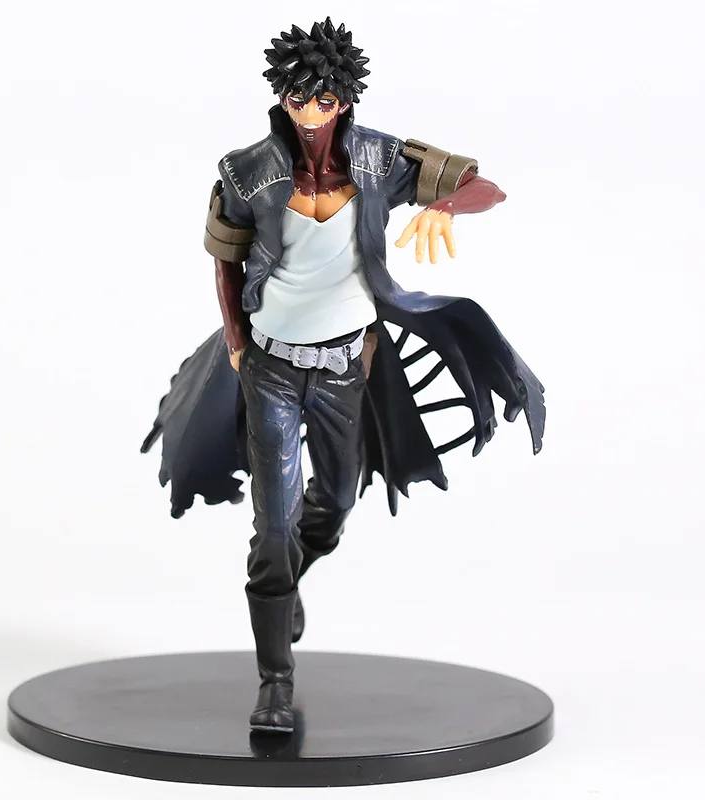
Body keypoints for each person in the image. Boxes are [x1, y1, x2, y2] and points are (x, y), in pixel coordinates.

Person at [142, 18, 546, 734]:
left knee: (332, 503)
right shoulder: (246, 170)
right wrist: (235, 341)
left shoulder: (381, 159)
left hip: (343, 367)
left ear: (345, 99)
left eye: (323, 100)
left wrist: (444, 204)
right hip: (271, 365)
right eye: (297, 99)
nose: (309, 113)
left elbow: (485, 187)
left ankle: (290, 577)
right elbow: (225, 260)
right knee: (273, 525)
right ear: (281, 97)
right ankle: (274, 681)